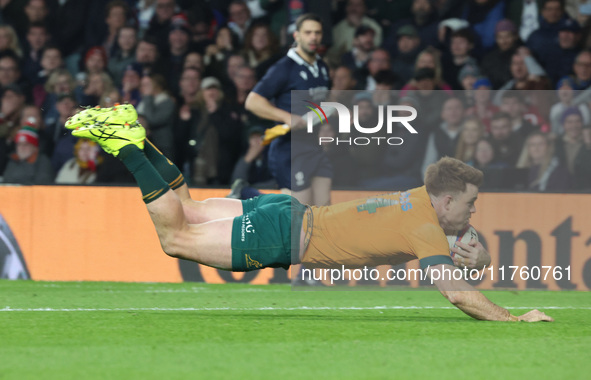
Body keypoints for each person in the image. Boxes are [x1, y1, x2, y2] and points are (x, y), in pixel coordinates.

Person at [66, 106, 553, 322]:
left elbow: (458, 242)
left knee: (188, 209)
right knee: (175, 237)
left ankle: (133, 130)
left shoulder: (420, 198)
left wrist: (479, 252)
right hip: (283, 234)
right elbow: (458, 294)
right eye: (470, 203)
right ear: (447, 200)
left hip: (288, 210)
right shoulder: (426, 225)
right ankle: (127, 148)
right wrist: (510, 319)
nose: (473, 210)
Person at [245, 13, 332, 207]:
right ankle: (247, 194)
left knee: (324, 208)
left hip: (315, 146)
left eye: (317, 33)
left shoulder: (322, 67)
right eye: (308, 32)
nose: (313, 37)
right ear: (296, 35)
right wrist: (287, 117)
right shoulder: (284, 68)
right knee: (299, 213)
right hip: (289, 149)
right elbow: (252, 101)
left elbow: (322, 103)